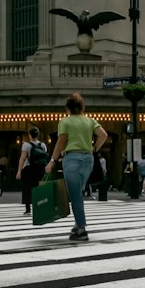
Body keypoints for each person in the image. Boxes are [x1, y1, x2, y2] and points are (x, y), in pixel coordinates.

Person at [45, 93, 107, 241]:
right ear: (82, 107)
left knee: (75, 196)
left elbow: (61, 142)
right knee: (78, 192)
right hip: (88, 159)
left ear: (68, 108)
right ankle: (77, 224)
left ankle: (81, 229)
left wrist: (52, 160)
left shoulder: (65, 121)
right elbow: (103, 135)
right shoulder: (90, 121)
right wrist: (94, 149)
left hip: (72, 159)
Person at [16, 125, 48, 214]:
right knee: (39, 188)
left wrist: (19, 171)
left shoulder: (26, 145)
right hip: (40, 170)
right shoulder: (43, 145)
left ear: (30, 135)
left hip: (29, 169)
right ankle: (40, 207)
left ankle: (28, 209)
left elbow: (22, 158)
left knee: (27, 189)